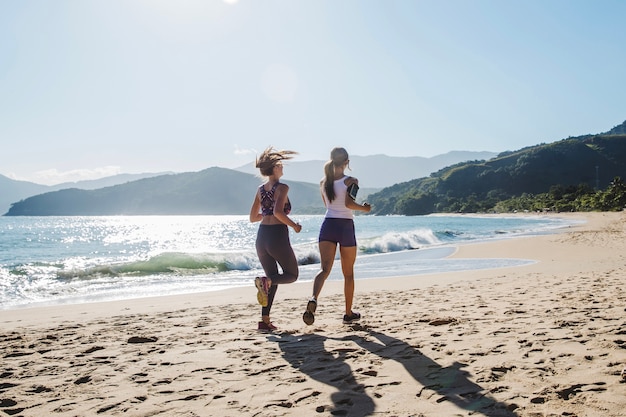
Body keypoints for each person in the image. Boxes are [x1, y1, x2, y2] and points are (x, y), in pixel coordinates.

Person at [303, 147, 371, 325]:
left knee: (324, 270)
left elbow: (327, 204)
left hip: (328, 225)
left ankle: (313, 298)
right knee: (348, 274)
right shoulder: (351, 181)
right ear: (347, 162)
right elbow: (348, 203)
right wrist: (365, 208)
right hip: (345, 226)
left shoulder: (323, 182)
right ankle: (348, 313)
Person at [249, 146, 302, 331]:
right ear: (273, 169)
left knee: (272, 279)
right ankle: (267, 283)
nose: (281, 167)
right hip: (277, 237)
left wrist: (266, 215)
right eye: (279, 165)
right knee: (291, 275)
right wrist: (294, 225)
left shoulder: (260, 189)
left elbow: (253, 217)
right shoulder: (282, 187)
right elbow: (278, 212)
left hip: (261, 238)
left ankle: (264, 321)